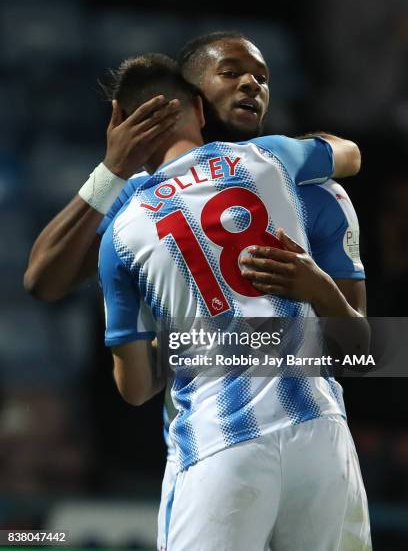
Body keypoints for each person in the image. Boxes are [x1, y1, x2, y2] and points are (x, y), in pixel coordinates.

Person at [24, 32, 369, 548]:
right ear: (196, 101)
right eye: (231, 73)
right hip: (312, 437)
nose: (252, 83)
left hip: (230, 440)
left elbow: (361, 353)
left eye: (262, 77)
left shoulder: (318, 195)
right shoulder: (278, 163)